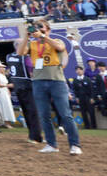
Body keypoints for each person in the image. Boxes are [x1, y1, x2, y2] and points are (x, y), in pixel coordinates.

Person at [17, 18, 81, 154]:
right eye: (36, 28)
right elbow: (20, 52)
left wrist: (43, 36)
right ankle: (52, 144)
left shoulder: (56, 41)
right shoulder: (33, 45)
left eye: (42, 27)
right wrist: (26, 37)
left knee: (65, 114)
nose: (38, 30)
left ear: (48, 29)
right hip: (38, 82)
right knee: (44, 115)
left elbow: (60, 48)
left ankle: (75, 145)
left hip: (56, 81)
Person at [5, 46, 41, 143]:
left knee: (26, 111)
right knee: (33, 112)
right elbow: (31, 72)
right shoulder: (25, 57)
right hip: (28, 86)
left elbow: (8, 71)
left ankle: (31, 135)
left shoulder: (9, 56)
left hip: (18, 86)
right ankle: (36, 136)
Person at [71, 65, 99, 131]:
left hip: (88, 98)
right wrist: (77, 97)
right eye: (77, 70)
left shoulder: (87, 79)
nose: (78, 71)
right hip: (81, 98)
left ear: (83, 71)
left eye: (80, 70)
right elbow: (75, 90)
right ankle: (87, 126)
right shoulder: (75, 80)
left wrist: (92, 98)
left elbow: (92, 89)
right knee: (83, 113)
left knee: (91, 112)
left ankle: (94, 126)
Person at [0, 61, 16, 127]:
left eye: (3, 67)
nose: (3, 69)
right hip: (0, 92)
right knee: (3, 106)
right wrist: (8, 85)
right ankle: (3, 122)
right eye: (2, 67)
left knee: (7, 106)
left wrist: (8, 91)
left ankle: (7, 122)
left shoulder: (3, 75)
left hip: (5, 92)